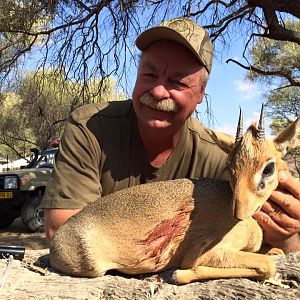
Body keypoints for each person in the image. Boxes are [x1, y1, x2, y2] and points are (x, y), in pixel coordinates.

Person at [41, 18, 300, 253]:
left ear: (201, 94)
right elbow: (64, 233)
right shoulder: (91, 127)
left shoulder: (222, 157)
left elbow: (267, 237)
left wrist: (287, 233)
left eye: (177, 82)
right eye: (150, 74)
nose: (158, 91)